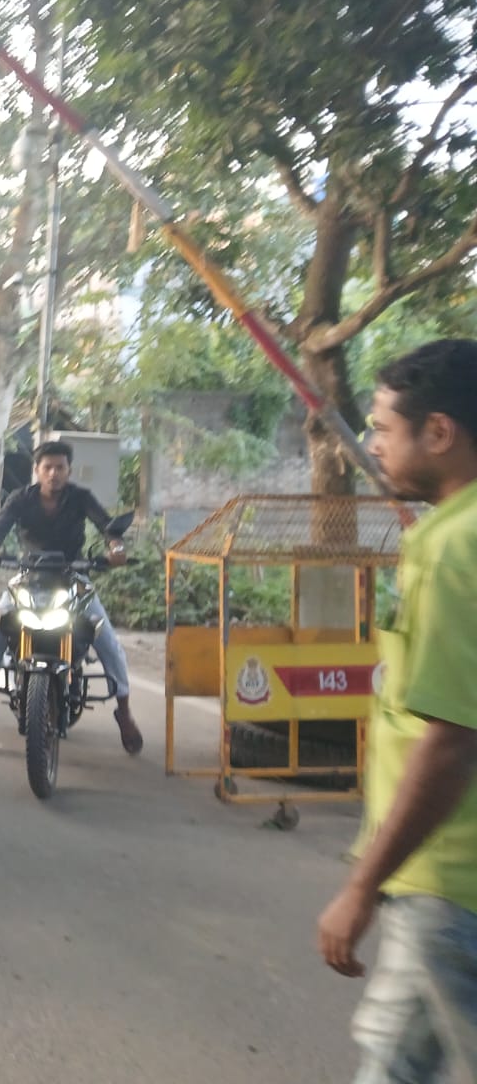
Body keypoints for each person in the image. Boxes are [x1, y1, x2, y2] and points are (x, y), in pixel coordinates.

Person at [316, 339, 477, 1081]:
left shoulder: (453, 550)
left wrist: (362, 886)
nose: (372, 445)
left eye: (383, 428)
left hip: (445, 879)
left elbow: (451, 738)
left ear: (438, 434)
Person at [0, 440, 140, 754]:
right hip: (28, 578)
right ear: (37, 470)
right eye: (48, 468)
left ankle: (124, 713)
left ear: (69, 470)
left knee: (108, 640)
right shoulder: (21, 498)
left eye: (60, 467)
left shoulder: (81, 498)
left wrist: (116, 548)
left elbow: (106, 526)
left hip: (74, 577)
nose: (54, 474)